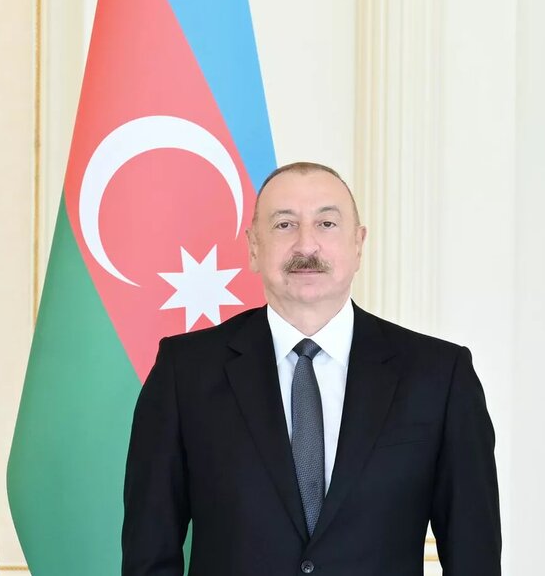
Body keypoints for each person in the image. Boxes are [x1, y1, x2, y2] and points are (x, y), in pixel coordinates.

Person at [123, 162, 501, 575]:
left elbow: (474, 557)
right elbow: (149, 554)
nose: (306, 244)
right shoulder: (184, 372)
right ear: (254, 247)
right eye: (284, 225)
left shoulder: (440, 376)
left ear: (358, 244)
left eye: (326, 223)